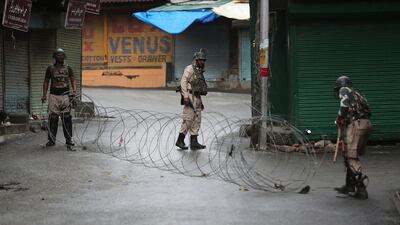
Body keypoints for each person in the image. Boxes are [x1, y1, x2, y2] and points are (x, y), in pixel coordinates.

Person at [333, 75, 372, 199]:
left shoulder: (344, 90)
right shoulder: (358, 93)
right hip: (366, 124)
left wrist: (339, 119)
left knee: (351, 157)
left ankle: (361, 189)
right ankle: (349, 185)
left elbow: (344, 107)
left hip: (356, 125)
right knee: (348, 154)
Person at [41, 48, 77, 150]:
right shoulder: (50, 68)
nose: (60, 57)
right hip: (54, 96)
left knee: (66, 118)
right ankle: (51, 140)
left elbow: (73, 80)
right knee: (53, 118)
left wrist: (74, 91)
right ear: (54, 56)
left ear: (64, 56)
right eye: (58, 55)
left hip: (65, 95)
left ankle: (69, 140)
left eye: (62, 55)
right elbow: (46, 82)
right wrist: (44, 95)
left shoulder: (68, 68)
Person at [175, 49, 208, 150]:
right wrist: (185, 96)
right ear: (196, 60)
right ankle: (180, 140)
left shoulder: (199, 71)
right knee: (188, 119)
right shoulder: (190, 69)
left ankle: (194, 142)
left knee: (197, 120)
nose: (202, 62)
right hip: (189, 96)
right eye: (200, 60)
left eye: (203, 60)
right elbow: (183, 82)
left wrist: (200, 102)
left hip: (197, 97)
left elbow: (198, 87)